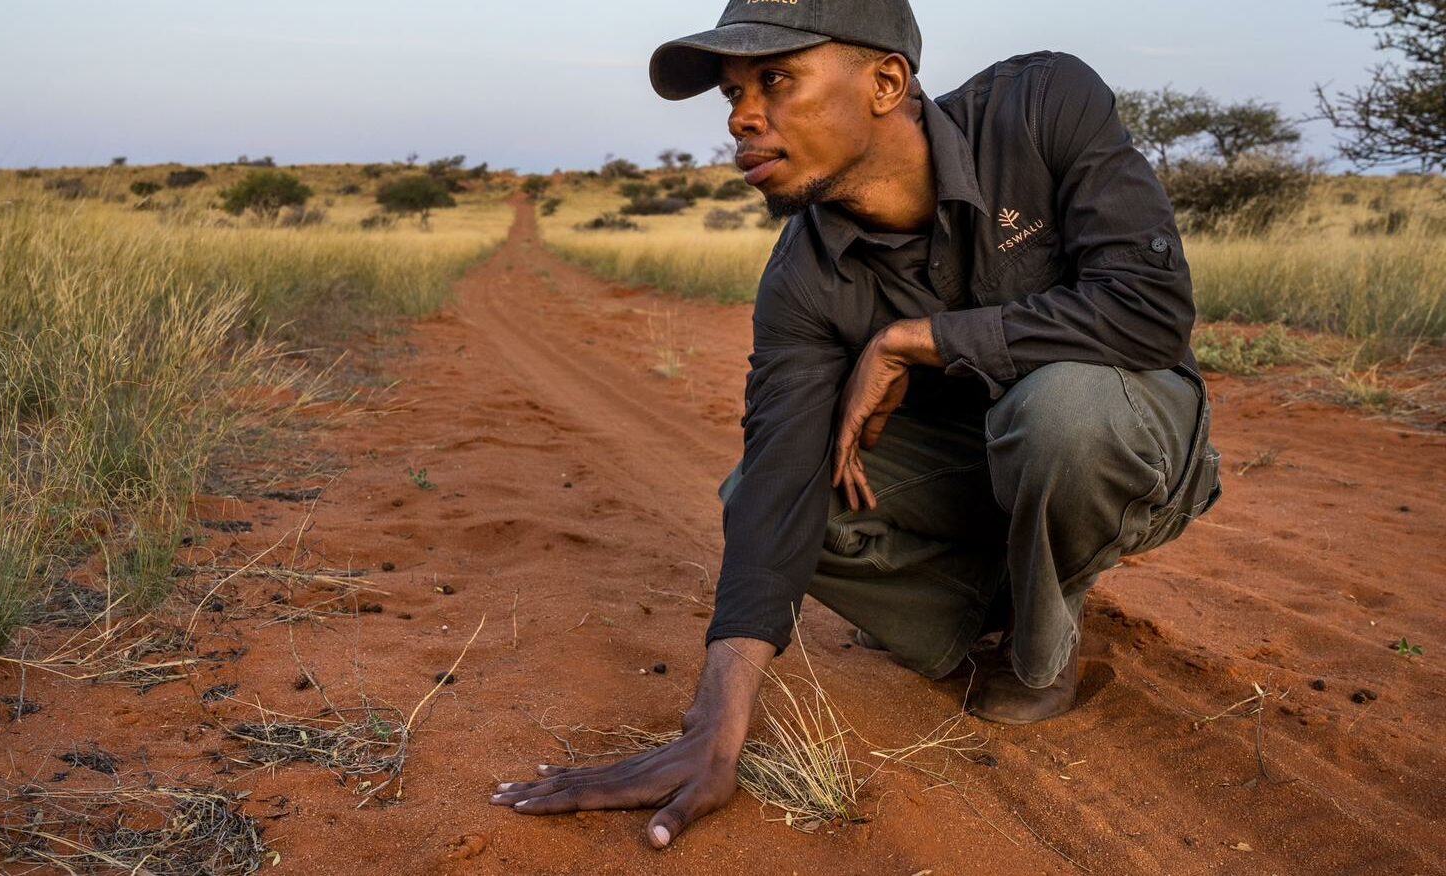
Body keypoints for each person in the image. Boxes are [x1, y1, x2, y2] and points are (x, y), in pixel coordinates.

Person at [492, 0, 1222, 849]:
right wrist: (715, 724)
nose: (741, 117)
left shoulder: (1042, 104)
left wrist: (920, 337)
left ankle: (1040, 649)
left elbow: (1150, 308)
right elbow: (777, 482)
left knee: (1058, 410)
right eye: (731, 92)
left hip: (1132, 444)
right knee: (786, 502)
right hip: (981, 472)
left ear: (885, 81)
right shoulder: (802, 276)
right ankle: (991, 591)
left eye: (774, 79)